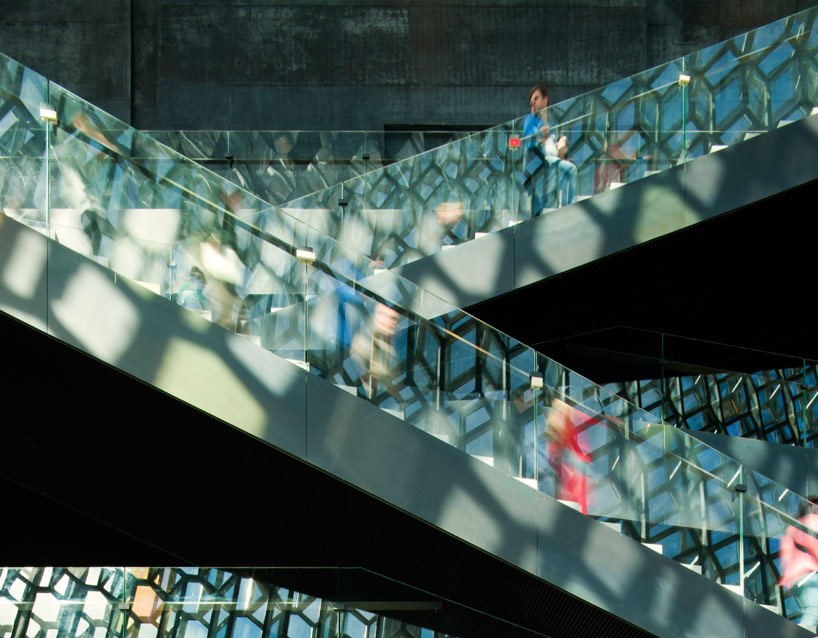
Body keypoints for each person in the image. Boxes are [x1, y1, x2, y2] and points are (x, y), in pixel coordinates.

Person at [523, 85, 577, 215]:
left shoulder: (554, 122)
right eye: (531, 101)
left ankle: (568, 207)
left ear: (545, 99)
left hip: (549, 172)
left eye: (536, 98)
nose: (533, 102)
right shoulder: (531, 120)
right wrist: (540, 135)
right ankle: (572, 207)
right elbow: (529, 142)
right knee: (571, 169)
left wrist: (561, 149)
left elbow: (557, 152)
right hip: (539, 165)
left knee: (543, 208)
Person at [779, 496, 818, 630]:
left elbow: (785, 552)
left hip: (797, 576)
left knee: (813, 609)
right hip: (810, 574)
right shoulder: (813, 520)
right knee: (814, 609)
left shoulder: (794, 526)